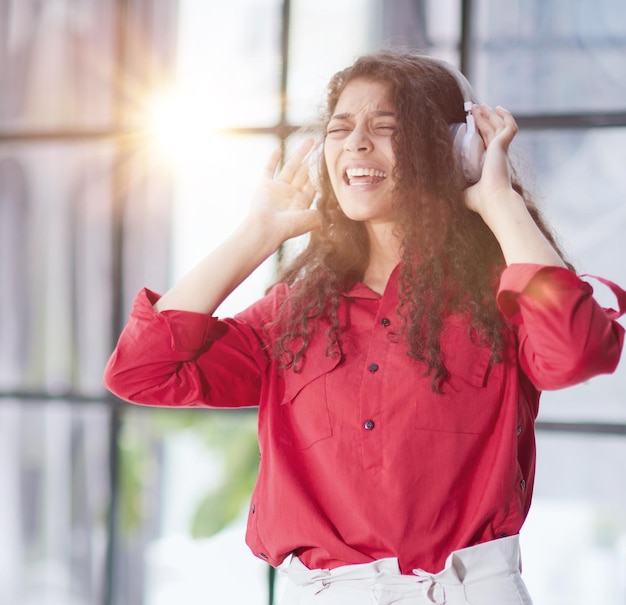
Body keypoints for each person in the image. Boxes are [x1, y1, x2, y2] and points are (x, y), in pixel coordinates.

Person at [104, 50, 626, 604]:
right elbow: (142, 371)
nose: (355, 143)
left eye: (386, 127)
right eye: (340, 128)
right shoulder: (295, 314)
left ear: (451, 149)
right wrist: (257, 234)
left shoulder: (501, 293)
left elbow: (575, 352)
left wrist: (498, 202)